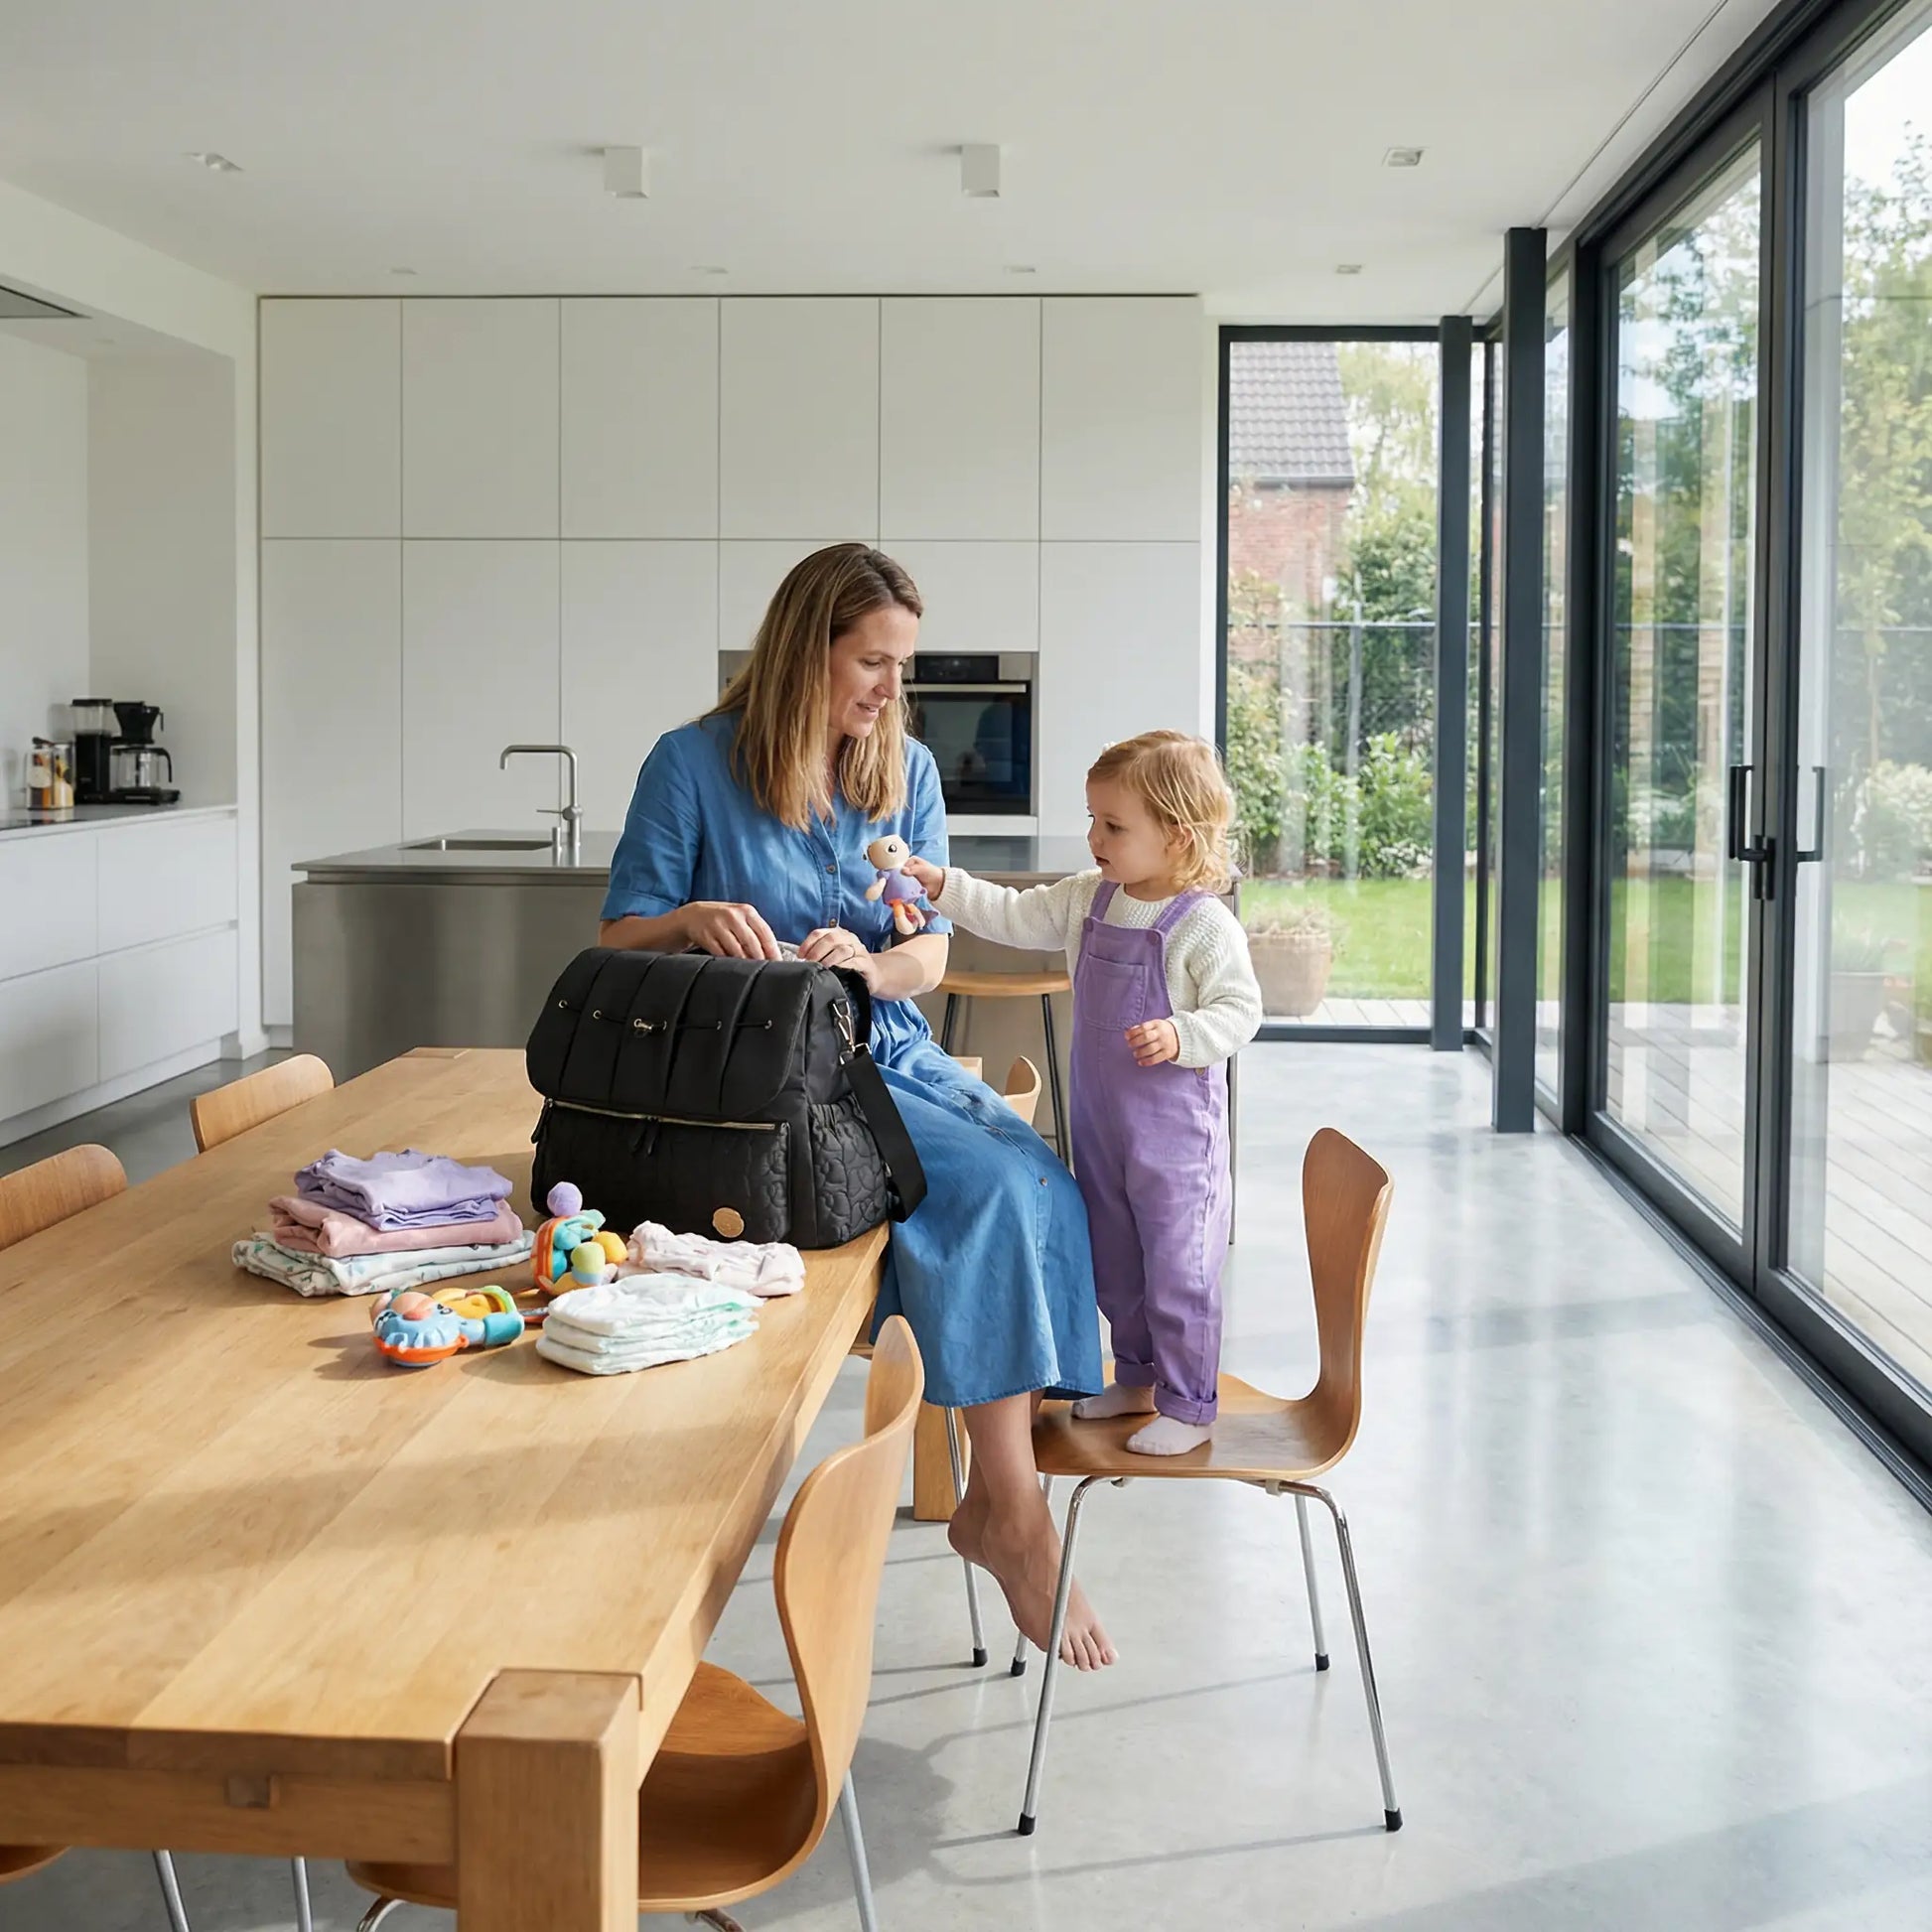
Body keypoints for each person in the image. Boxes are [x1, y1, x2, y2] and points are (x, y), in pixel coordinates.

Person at [598, 542, 1115, 1670]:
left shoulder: (906, 770)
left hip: (878, 1044)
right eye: (871, 662)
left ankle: (1001, 1487)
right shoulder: (688, 766)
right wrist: (693, 919)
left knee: (1044, 1179)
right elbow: (614, 939)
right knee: (981, 1189)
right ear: (803, 653)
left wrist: (871, 970)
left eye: (900, 665)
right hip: (752, 1071)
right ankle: (1011, 1515)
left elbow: (928, 946)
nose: (890, 688)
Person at [905, 732, 1261, 1454]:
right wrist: (943, 885)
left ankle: (1191, 1406)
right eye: (1093, 818)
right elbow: (1013, 914)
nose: (1093, 836)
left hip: (1175, 1144)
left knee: (1179, 1270)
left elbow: (1240, 1010)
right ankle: (1134, 1378)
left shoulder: (1203, 923)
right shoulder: (1087, 899)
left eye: (1114, 825)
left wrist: (1183, 1033)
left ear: (1177, 835)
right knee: (1117, 1261)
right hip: (1103, 1129)